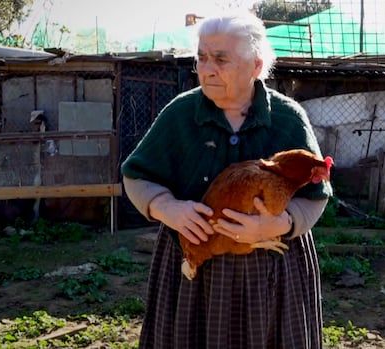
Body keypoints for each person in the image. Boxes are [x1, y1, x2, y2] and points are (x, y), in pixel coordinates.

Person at [121, 11, 333, 349]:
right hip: (196, 265)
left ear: (256, 66)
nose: (207, 69)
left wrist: (280, 225)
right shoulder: (180, 114)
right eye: (202, 58)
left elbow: (316, 195)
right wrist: (167, 208)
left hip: (271, 269)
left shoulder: (287, 119)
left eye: (221, 59)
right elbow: (135, 176)